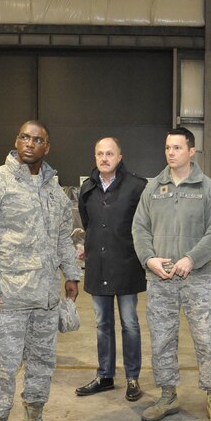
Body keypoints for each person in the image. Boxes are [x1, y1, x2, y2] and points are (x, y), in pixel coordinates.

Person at [0, 120, 81, 421]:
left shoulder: (54, 191)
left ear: (47, 147)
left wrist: (71, 274)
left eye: (38, 139)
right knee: (2, 367)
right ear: (16, 141)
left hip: (45, 299)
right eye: (24, 137)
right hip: (7, 299)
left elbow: (63, 236)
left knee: (43, 363)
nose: (30, 144)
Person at [132, 126, 211, 421]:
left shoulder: (207, 189)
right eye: (167, 148)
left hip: (197, 280)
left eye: (177, 148)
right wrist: (149, 259)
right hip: (161, 281)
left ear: (191, 151)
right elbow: (140, 228)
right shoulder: (153, 189)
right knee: (162, 341)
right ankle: (167, 395)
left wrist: (192, 258)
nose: (171, 153)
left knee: (206, 339)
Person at [74, 137, 148, 401]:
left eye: (109, 153)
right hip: (98, 266)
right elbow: (88, 222)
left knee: (130, 323)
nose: (104, 158)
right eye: (99, 154)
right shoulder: (88, 188)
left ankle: (132, 378)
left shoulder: (137, 187)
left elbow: (144, 225)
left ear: (119, 157)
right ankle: (105, 376)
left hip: (127, 266)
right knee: (102, 324)